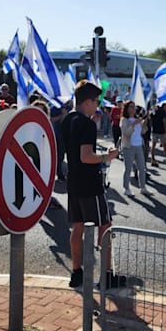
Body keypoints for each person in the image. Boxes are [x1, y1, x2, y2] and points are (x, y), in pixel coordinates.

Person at [61, 80, 124, 289]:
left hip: (74, 181)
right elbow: (86, 156)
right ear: (87, 102)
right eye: (96, 101)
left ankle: (76, 273)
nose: (98, 105)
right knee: (105, 226)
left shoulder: (68, 119)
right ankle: (106, 276)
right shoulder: (86, 124)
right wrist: (108, 156)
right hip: (89, 183)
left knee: (77, 227)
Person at [120, 101, 151, 196]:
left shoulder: (137, 119)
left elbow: (143, 131)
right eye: (131, 107)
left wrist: (144, 122)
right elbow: (126, 133)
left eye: (134, 107)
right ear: (127, 108)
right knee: (128, 169)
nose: (133, 109)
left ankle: (143, 187)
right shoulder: (124, 120)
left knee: (142, 168)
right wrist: (133, 124)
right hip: (128, 147)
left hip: (139, 146)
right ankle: (126, 188)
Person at [50, 103, 68, 181]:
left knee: (64, 155)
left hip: (66, 135)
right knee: (59, 156)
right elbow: (51, 119)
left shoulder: (68, 107)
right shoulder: (54, 107)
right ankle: (59, 173)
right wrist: (61, 115)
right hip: (57, 135)